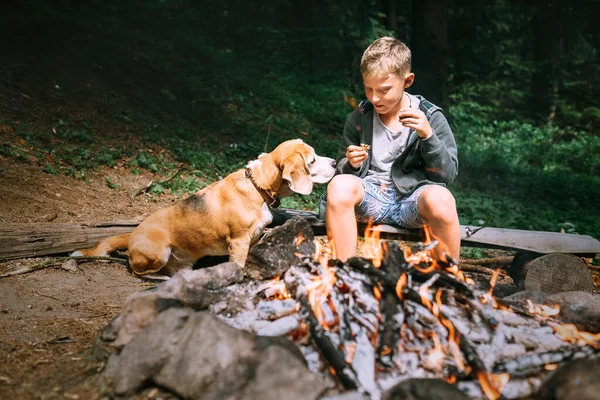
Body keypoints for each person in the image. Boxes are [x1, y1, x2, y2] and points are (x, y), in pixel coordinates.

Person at [324, 36, 460, 262]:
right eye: (368, 88)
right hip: (371, 197)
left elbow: (447, 175)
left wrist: (428, 136)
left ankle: (446, 281)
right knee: (339, 186)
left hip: (412, 200)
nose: (375, 98)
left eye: (384, 90)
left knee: (442, 198)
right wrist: (351, 164)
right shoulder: (360, 117)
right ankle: (344, 273)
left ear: (407, 81)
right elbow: (342, 171)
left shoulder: (430, 117)